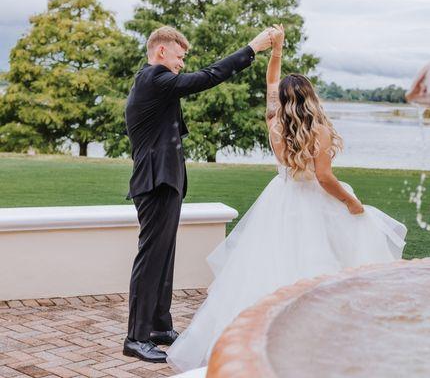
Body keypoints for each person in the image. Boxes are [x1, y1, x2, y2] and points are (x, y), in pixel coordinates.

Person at [166, 24, 407, 372]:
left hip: (279, 199)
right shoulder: (319, 130)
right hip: (311, 201)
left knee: (269, 267)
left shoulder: (273, 118)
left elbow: (270, 82)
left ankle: (258, 344)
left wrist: (276, 51)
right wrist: (351, 203)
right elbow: (324, 177)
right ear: (311, 97)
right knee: (320, 267)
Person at [123, 25, 273, 363]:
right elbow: (208, 77)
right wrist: (251, 48)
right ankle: (135, 338)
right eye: (179, 56)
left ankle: (159, 327)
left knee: (164, 258)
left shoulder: (155, 84)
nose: (181, 63)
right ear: (161, 52)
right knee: (150, 261)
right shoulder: (154, 80)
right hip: (155, 183)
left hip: (165, 182)